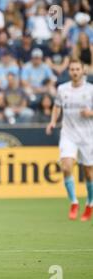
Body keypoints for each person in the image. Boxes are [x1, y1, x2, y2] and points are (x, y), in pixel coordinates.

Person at [46, 60, 93, 221]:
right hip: (68, 133)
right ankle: (74, 202)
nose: (74, 72)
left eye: (77, 69)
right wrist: (53, 121)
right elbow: (57, 106)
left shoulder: (90, 90)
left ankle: (89, 203)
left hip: (87, 135)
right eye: (72, 69)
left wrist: (90, 113)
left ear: (82, 71)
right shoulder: (62, 89)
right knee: (66, 167)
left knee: (89, 173)